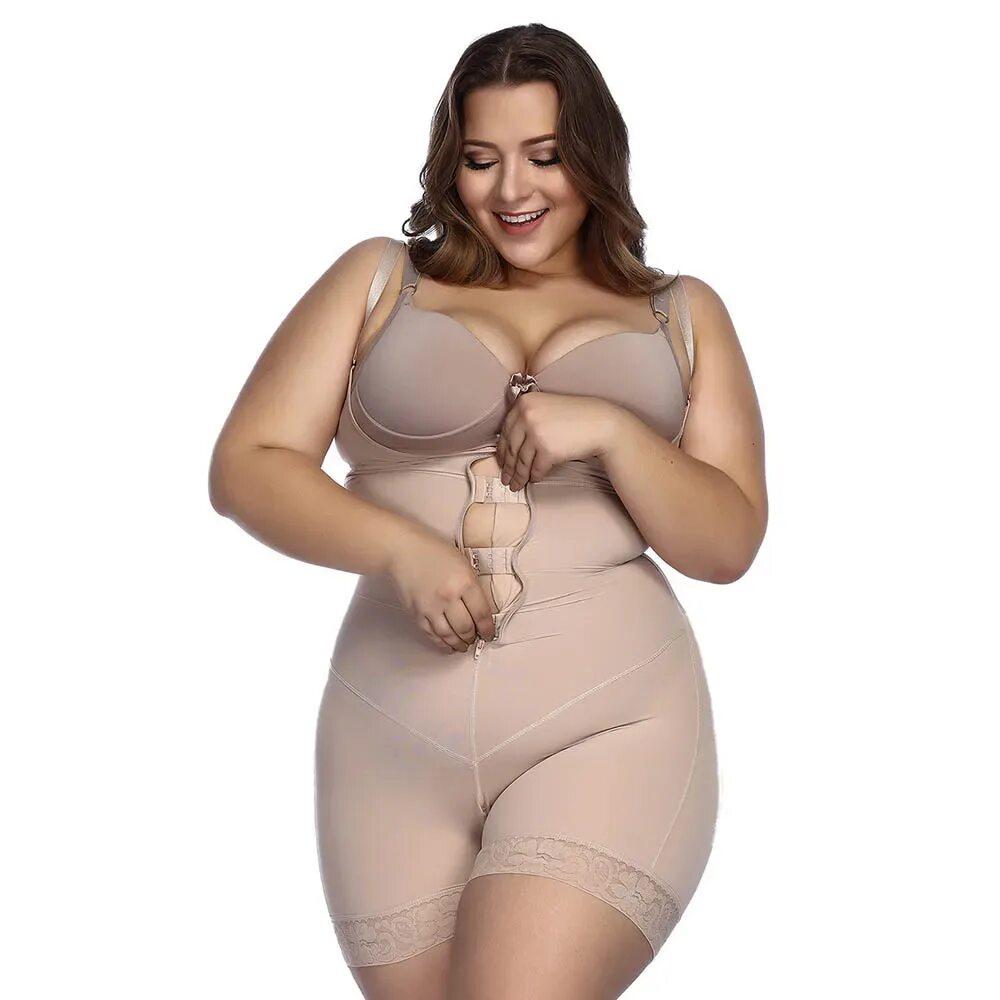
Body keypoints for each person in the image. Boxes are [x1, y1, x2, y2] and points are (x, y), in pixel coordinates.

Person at [209, 22, 767, 1000]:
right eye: (481, 159)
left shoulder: (680, 314)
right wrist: (401, 551)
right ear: (450, 164)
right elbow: (246, 466)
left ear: (594, 155)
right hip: (388, 737)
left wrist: (614, 431)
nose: (512, 190)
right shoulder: (379, 281)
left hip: (610, 724)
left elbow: (726, 543)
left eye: (545, 155)